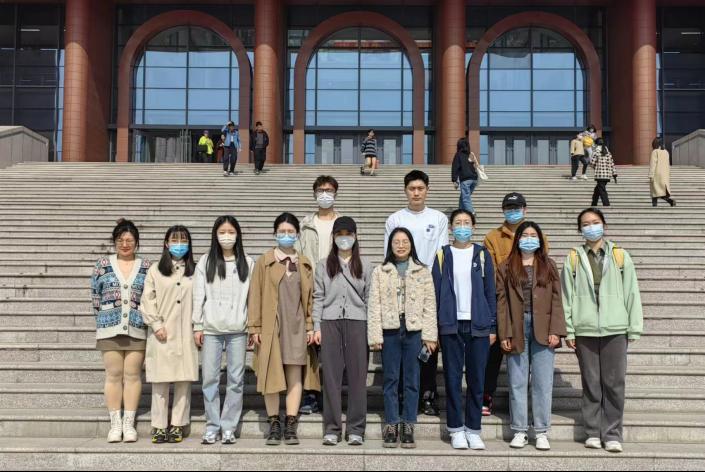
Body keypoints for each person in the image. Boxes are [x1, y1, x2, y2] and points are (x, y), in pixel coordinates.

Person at [561, 208, 644, 453]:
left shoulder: (620, 256)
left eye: (595, 222)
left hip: (615, 328)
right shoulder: (573, 258)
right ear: (580, 229)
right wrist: (569, 329)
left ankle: (612, 434)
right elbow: (566, 296)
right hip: (585, 329)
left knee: (615, 383)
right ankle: (592, 432)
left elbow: (631, 292)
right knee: (591, 382)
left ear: (604, 225)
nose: (591, 227)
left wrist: (634, 327)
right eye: (586, 224)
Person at [249, 213, 319, 446]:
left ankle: (290, 422)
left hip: (297, 326)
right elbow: (255, 295)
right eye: (282, 232)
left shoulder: (304, 263)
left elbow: (311, 299)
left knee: (294, 375)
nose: (286, 235)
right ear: (275, 234)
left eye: (290, 232)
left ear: (297, 234)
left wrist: (310, 326)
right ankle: (273, 422)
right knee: (270, 375)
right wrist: (255, 326)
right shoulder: (264, 261)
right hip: (272, 325)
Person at [497, 221, 567, 451]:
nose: (529, 239)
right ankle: (519, 430)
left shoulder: (548, 265)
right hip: (517, 327)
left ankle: (541, 431)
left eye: (533, 235)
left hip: (544, 328)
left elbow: (557, 299)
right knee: (517, 382)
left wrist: (556, 330)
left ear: (540, 239)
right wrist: (504, 332)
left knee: (542, 382)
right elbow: (502, 302)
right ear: (517, 239)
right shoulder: (506, 266)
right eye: (524, 235)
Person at [384, 170, 448, 416]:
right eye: (412, 189)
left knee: (428, 342)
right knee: (403, 343)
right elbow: (389, 255)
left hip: (428, 287)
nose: (416, 193)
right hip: (401, 288)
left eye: (420, 188)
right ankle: (402, 393)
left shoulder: (438, 218)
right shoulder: (394, 219)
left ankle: (428, 395)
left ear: (427, 190)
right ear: (405, 191)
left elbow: (441, 256)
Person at [431, 209, 496, 451]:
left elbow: (490, 292)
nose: (462, 227)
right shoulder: (442, 255)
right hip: (451, 324)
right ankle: (456, 429)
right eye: (457, 223)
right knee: (452, 378)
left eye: (466, 222)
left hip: (478, 324)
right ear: (450, 228)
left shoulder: (482, 254)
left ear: (473, 227)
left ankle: (473, 429)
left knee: (477, 380)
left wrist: (492, 326)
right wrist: (435, 327)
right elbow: (436, 292)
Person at [368, 227, 438, 449]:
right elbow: (374, 304)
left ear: (411, 245)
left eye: (405, 241)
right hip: (390, 330)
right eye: (396, 242)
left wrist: (430, 336)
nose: (401, 245)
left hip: (414, 331)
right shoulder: (381, 271)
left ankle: (408, 424)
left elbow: (430, 304)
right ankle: (391, 423)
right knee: (390, 379)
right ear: (390, 245)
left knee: (412, 379)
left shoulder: (422, 271)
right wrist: (375, 335)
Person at [482, 192, 550, 416]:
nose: (513, 212)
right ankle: (486, 394)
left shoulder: (537, 235)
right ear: (503, 211)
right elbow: (491, 270)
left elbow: (542, 265)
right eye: (509, 208)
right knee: (494, 352)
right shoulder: (493, 237)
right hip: (503, 299)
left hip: (531, 303)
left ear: (525, 209)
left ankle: (529, 404)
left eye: (517, 208)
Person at [193, 216, 254, 445]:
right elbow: (198, 294)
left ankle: (229, 426)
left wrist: (253, 326)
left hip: (238, 329)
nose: (226, 236)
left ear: (238, 235)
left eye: (231, 232)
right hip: (211, 329)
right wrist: (197, 324)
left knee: (236, 379)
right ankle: (212, 425)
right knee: (210, 378)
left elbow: (252, 297)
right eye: (222, 232)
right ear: (215, 235)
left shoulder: (247, 262)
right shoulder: (206, 261)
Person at [313, 217, 374, 447]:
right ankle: (332, 428)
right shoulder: (323, 265)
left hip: (358, 322)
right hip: (330, 322)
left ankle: (356, 429)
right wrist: (316, 326)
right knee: (331, 377)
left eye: (348, 234)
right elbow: (318, 297)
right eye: (340, 234)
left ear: (356, 236)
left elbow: (370, 299)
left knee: (358, 377)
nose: (344, 238)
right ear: (334, 237)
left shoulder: (365, 265)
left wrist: (371, 330)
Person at [91, 219, 151, 443]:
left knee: (133, 375)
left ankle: (129, 423)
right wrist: (104, 320)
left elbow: (151, 297)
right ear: (114, 242)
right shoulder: (102, 265)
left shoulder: (146, 266)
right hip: (109, 327)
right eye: (120, 240)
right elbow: (95, 297)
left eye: (129, 240)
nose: (125, 244)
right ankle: (115, 424)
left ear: (136, 242)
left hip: (137, 327)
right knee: (114, 375)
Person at [141, 225, 199, 444]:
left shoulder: (195, 270)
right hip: (162, 332)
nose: (179, 244)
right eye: (174, 240)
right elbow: (148, 299)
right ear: (166, 243)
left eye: (183, 240)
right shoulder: (155, 270)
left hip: (186, 332)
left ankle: (177, 424)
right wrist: (156, 325)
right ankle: (158, 425)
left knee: (183, 381)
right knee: (160, 381)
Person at [295, 175, 340, 415]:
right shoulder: (304, 225)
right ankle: (310, 394)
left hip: (335, 289)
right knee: (309, 345)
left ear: (335, 194)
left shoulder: (343, 224)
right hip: (309, 289)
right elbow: (297, 256)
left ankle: (329, 394)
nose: (325, 194)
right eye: (321, 190)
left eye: (329, 190)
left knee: (331, 345)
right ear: (314, 193)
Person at [451, 137, 480, 214]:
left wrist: (454, 180)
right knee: (464, 196)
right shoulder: (470, 154)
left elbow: (455, 167)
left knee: (465, 198)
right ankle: (460, 212)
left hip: (466, 179)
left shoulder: (458, 155)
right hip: (474, 179)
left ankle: (471, 213)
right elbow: (475, 165)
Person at [649, 137, 676, 207]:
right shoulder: (666, 152)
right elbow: (668, 164)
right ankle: (670, 201)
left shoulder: (655, 152)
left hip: (657, 175)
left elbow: (653, 165)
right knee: (661, 192)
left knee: (655, 191)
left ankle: (654, 206)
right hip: (664, 175)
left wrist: (651, 175)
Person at [589, 138, 616, 207]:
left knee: (602, 190)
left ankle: (606, 204)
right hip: (607, 175)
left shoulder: (596, 151)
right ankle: (594, 203)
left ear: (596, 144)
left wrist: (596, 167)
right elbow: (612, 163)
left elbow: (592, 163)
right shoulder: (608, 152)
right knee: (597, 189)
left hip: (599, 174)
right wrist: (614, 174)